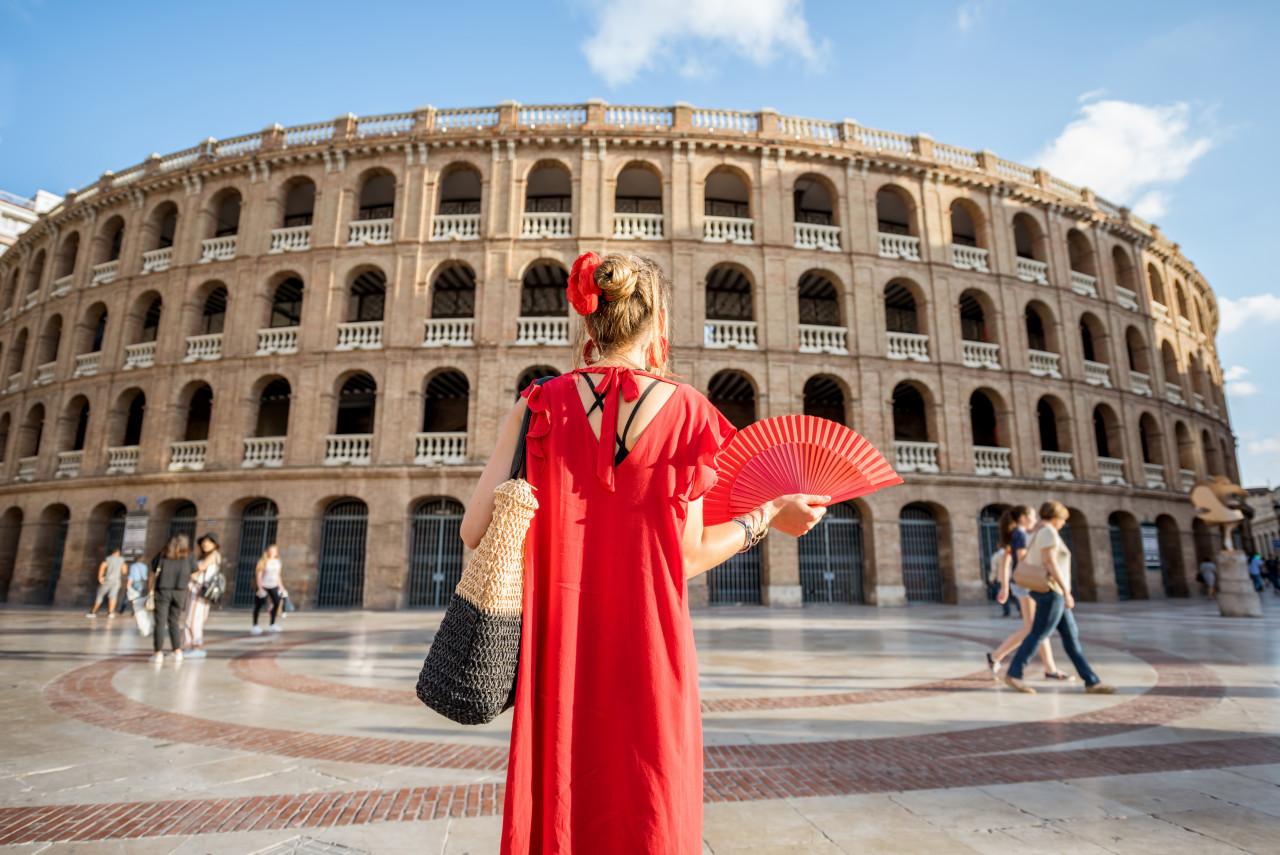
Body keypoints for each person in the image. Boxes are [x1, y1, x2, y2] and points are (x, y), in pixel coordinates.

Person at [463, 252, 828, 854]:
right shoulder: (691, 414)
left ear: (589, 324)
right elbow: (687, 555)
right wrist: (767, 518)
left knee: (560, 802)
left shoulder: (538, 404)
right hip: (651, 649)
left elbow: (475, 530)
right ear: (659, 324)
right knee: (650, 804)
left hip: (559, 653)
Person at [1002, 501, 1114, 695]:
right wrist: (1066, 591)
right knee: (1038, 634)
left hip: (1053, 592)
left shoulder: (1037, 532)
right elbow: (1050, 562)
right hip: (1052, 592)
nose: (1063, 524)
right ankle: (1014, 674)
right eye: (1063, 520)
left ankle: (1091, 681)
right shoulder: (1047, 532)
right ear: (1056, 518)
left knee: (1071, 638)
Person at [987, 506, 1068, 680]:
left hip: (1021, 583)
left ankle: (1050, 668)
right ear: (1023, 518)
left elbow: (1006, 561)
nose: (1035, 519)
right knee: (1034, 628)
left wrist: (1005, 588)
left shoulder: (1016, 534)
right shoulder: (1021, 534)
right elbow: (1022, 558)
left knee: (1037, 627)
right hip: (1027, 583)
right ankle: (996, 656)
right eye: (1032, 516)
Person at [149, 535, 197, 664]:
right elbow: (195, 573)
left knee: (160, 622)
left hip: (163, 590)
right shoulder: (189, 557)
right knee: (174, 622)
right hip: (180, 592)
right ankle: (177, 651)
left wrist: (150, 590)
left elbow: (153, 573)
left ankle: (158, 653)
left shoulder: (162, 555)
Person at [183, 533, 222, 658]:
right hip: (196, 589)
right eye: (203, 542)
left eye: (209, 542)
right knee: (194, 618)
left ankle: (196, 646)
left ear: (215, 544)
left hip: (199, 590)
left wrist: (187, 571)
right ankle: (190, 645)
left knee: (193, 619)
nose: (205, 544)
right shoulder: (206, 555)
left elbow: (200, 567)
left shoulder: (214, 555)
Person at [252, 544, 285, 635]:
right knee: (258, 605)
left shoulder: (278, 562)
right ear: (267, 551)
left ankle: (272, 624)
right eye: (270, 550)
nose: (272, 552)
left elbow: (278, 575)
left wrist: (281, 586)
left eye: (274, 550)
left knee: (277, 602)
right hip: (264, 585)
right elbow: (258, 576)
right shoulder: (263, 561)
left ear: (276, 552)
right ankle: (255, 625)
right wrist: (260, 588)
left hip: (273, 585)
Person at [86, 547, 126, 619]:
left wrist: (100, 577)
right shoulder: (122, 560)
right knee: (113, 596)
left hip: (107, 580)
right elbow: (124, 571)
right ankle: (110, 613)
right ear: (118, 552)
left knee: (100, 595)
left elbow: (102, 567)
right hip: (116, 581)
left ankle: (93, 612)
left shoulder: (108, 559)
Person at [125, 552, 153, 636]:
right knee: (141, 597)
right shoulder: (144, 566)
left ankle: (135, 611)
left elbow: (131, 576)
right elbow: (146, 576)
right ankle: (138, 611)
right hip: (143, 582)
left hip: (135, 582)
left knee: (135, 598)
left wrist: (128, 585)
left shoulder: (133, 566)